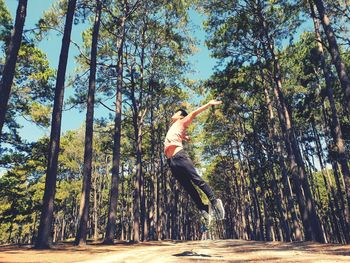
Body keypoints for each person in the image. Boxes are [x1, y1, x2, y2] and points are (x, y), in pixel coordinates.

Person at [164, 100, 225, 221]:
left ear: (181, 116)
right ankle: (203, 209)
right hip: (171, 162)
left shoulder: (182, 121)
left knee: (197, 180)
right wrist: (185, 137)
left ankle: (214, 201)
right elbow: (177, 134)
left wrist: (208, 104)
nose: (173, 114)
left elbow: (193, 114)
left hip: (180, 157)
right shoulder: (175, 126)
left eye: (176, 113)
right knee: (188, 187)